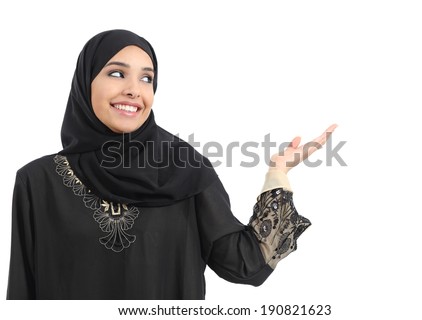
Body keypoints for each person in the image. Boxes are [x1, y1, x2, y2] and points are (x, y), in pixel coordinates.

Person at [6, 29, 337, 299]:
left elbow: (245, 265)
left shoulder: (186, 170)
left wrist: (278, 172)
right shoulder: (37, 181)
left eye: (147, 79)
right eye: (117, 73)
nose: (134, 90)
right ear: (85, 81)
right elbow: (23, 291)